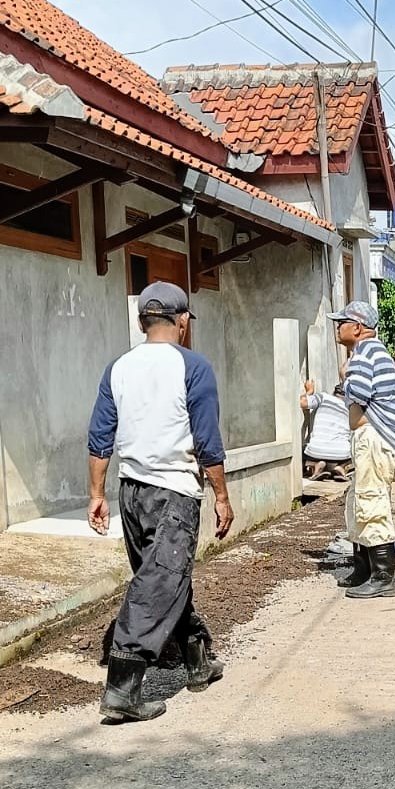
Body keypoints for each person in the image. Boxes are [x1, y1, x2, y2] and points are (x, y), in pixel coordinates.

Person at [87, 282, 231, 723]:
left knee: (162, 578)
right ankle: (122, 691)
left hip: (130, 493)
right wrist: (222, 495)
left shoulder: (118, 367)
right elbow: (207, 440)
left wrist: (96, 494)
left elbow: (99, 436)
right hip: (174, 493)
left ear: (141, 321)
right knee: (157, 584)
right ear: (183, 321)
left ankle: (196, 662)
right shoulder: (195, 367)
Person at [330, 300, 395, 599]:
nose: (338, 327)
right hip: (375, 437)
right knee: (357, 503)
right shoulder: (371, 353)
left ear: (358, 328)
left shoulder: (364, 355)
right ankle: (364, 568)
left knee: (371, 503)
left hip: (375, 437)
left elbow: (356, 398)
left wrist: (345, 376)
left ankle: (383, 575)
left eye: (342, 322)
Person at [301, 378, 351, 481]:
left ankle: (316, 464)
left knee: (300, 452)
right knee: (358, 450)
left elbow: (302, 403)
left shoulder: (324, 397)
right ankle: (341, 467)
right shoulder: (351, 408)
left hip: (315, 451)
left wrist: (309, 391)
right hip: (341, 454)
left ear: (334, 392)